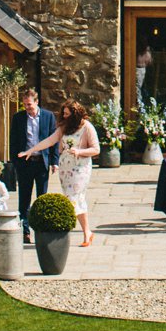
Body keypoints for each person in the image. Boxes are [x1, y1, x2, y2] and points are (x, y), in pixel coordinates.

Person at [9, 87, 61, 240]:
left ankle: (40, 229)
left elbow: (53, 140)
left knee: (41, 197)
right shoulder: (18, 118)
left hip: (41, 163)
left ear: (37, 102)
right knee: (24, 198)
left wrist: (54, 161)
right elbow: (13, 141)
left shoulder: (48, 116)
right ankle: (25, 231)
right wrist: (16, 162)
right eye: (25, 105)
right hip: (25, 163)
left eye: (30, 104)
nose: (27, 108)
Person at [53, 100, 100, 247]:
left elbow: (96, 149)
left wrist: (79, 151)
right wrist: (31, 150)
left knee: (73, 198)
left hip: (80, 168)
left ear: (75, 113)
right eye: (63, 114)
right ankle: (87, 232)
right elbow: (55, 143)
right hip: (66, 168)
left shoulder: (87, 127)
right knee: (77, 199)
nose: (65, 116)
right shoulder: (65, 127)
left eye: (67, 114)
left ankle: (62, 231)